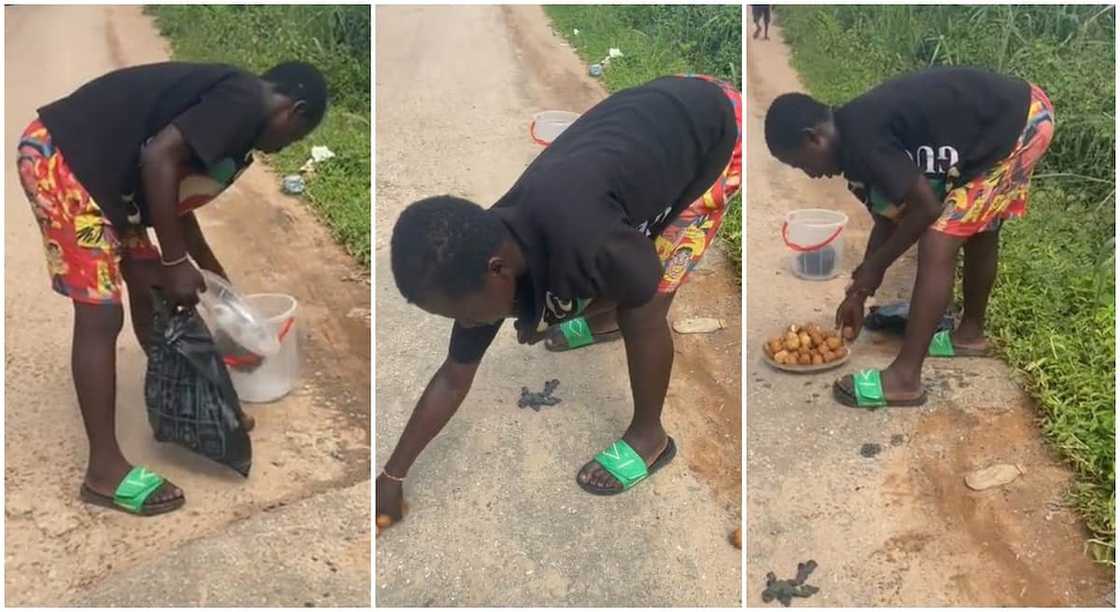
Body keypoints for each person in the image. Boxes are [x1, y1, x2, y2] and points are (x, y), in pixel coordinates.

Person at [378, 74, 741, 525]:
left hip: (716, 134)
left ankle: (650, 437)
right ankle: (601, 325)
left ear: (498, 270)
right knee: (606, 280)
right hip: (654, 119)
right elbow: (454, 377)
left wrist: (549, 318)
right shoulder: (481, 248)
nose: (469, 325)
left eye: (465, 315)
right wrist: (392, 476)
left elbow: (643, 280)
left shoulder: (584, 238)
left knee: (643, 309)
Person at [16, 60, 328, 516]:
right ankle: (103, 471)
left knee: (152, 290)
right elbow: (158, 158)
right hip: (63, 163)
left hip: (111, 184)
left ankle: (191, 404)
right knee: (101, 312)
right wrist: (177, 260)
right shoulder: (244, 100)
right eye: (294, 137)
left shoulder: (237, 119)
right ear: (292, 111)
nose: (282, 149)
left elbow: (172, 197)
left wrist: (209, 272)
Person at [763, 66, 1054, 408]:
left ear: (814, 137)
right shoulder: (852, 142)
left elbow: (925, 209)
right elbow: (889, 219)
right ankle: (969, 336)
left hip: (1020, 124)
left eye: (801, 164)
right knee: (979, 226)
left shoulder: (862, 138)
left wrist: (874, 269)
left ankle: (904, 379)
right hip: (1012, 117)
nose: (810, 174)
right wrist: (861, 289)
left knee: (937, 240)